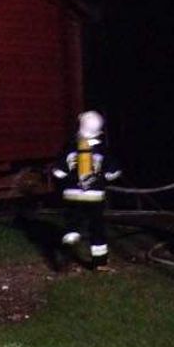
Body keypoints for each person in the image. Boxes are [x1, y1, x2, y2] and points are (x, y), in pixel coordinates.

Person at [52, 110, 122, 269]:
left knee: (73, 223)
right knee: (97, 227)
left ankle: (70, 240)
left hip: (71, 195)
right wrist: (101, 179)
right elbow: (114, 173)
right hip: (95, 197)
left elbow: (58, 172)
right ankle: (100, 263)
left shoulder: (70, 148)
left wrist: (67, 178)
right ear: (99, 131)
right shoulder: (104, 150)